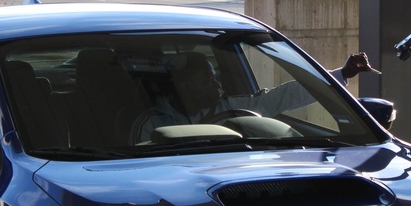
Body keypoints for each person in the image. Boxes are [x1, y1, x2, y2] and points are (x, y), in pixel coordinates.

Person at [131, 52, 379, 144]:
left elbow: (285, 97)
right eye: (208, 79)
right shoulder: (152, 125)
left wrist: (343, 74)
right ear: (184, 86)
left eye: (216, 76)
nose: (217, 83)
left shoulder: (232, 107)